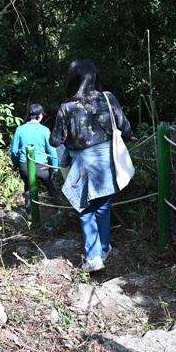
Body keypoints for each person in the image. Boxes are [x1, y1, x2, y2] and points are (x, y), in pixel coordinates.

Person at [51, 59, 134, 272]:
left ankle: (94, 257)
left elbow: (56, 140)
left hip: (82, 166)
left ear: (73, 80)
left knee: (86, 210)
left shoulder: (66, 108)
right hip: (108, 164)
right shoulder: (108, 98)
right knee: (103, 209)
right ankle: (104, 248)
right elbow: (125, 128)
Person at [10, 103, 63, 210]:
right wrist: (55, 169)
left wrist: (16, 164)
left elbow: (14, 151)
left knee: (28, 187)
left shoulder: (20, 129)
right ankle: (59, 209)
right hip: (42, 167)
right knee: (51, 187)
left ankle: (30, 213)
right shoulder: (44, 130)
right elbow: (52, 151)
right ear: (40, 115)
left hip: (25, 166)